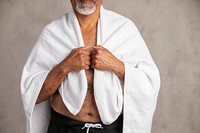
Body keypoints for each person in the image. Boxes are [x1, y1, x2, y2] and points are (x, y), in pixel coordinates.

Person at [21, 0, 161, 133]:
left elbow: (149, 83)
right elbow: (33, 94)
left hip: (111, 130)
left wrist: (117, 65)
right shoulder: (53, 33)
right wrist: (65, 66)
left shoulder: (123, 29)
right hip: (64, 128)